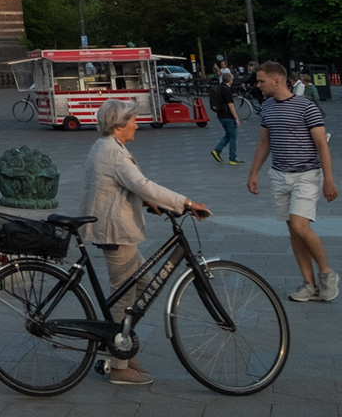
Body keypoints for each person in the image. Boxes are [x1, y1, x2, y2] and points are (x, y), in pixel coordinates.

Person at [80, 98, 212, 386]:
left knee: (143, 285)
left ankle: (119, 345)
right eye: (133, 120)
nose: (137, 125)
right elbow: (141, 183)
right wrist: (185, 202)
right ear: (119, 125)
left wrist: (150, 203)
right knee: (125, 295)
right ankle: (116, 362)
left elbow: (125, 185)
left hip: (112, 227)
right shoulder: (113, 153)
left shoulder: (107, 147)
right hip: (115, 232)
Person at [247, 61, 340, 302]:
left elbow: (322, 145)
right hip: (279, 175)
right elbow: (264, 142)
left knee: (300, 226)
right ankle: (308, 283)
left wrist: (328, 180)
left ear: (277, 80)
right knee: (293, 231)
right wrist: (253, 172)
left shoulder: (306, 107)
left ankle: (326, 273)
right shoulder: (266, 108)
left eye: (261, 81)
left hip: (306, 174)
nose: (258, 85)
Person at [209, 74, 241, 165]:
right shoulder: (227, 90)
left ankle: (217, 150)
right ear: (230, 80)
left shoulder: (219, 87)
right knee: (233, 138)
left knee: (228, 135)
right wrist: (236, 118)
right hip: (228, 116)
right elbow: (230, 104)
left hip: (221, 115)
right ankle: (232, 158)